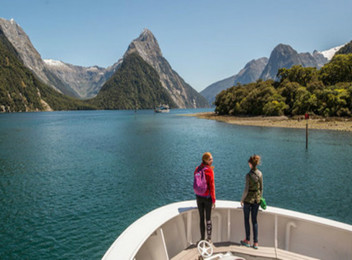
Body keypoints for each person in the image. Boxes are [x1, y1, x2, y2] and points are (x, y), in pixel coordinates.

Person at [240, 154, 263, 249]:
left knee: (246, 219)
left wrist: (242, 200)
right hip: (256, 200)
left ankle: (247, 240)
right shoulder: (260, 174)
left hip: (248, 200)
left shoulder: (248, 175)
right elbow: (261, 188)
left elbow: (246, 189)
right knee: (254, 221)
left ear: (250, 164)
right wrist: (259, 198)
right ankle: (256, 243)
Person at [194, 152, 216, 243]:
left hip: (199, 197)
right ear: (206, 160)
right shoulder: (209, 171)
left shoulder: (197, 169)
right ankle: (209, 239)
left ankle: (202, 238)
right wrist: (213, 200)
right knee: (208, 219)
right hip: (207, 198)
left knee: (201, 218)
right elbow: (212, 186)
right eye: (210, 159)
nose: (212, 160)